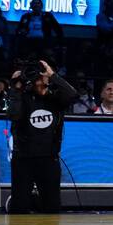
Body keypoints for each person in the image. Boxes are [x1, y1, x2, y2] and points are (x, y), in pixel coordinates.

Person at [7, 59, 76, 213]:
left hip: (49, 158)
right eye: (35, 79)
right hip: (23, 159)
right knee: (20, 206)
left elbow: (72, 95)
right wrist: (16, 87)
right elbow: (13, 114)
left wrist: (52, 75)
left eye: (42, 77)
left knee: (52, 206)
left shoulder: (55, 99)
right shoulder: (22, 97)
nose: (39, 81)